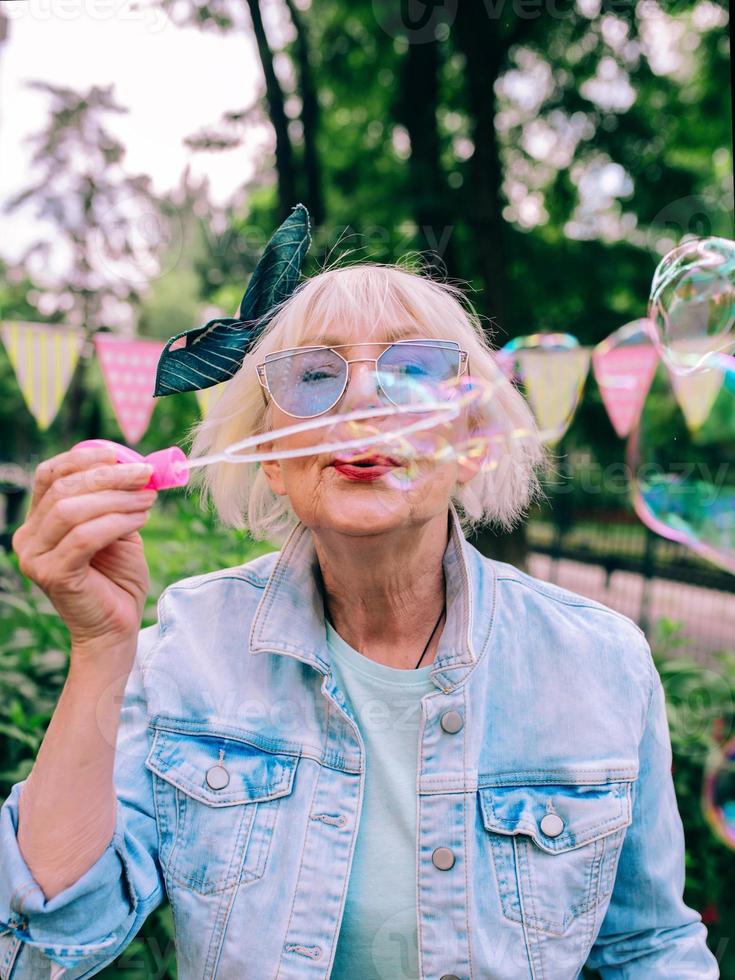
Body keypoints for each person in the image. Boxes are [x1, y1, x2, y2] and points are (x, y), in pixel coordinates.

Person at [0, 262, 719, 979]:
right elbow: (54, 938)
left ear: (470, 441)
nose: (364, 396)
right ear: (273, 457)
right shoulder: (191, 646)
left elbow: (648, 948)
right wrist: (99, 646)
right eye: (314, 376)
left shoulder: (598, 662)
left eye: (413, 371)